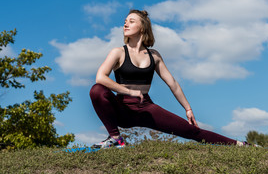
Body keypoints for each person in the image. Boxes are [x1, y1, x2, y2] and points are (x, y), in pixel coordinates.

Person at [89, 9, 246, 148]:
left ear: (142, 27)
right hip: (122, 109)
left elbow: (173, 83)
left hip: (146, 109)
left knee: (192, 131)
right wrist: (129, 91)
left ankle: (241, 145)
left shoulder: (154, 56)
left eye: (131, 21)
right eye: (124, 22)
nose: (125, 25)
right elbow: (100, 78)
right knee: (97, 90)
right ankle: (116, 138)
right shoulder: (118, 52)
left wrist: (188, 108)